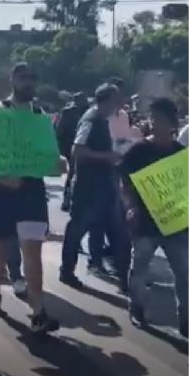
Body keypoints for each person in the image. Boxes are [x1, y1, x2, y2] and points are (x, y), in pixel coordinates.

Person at [0, 63, 64, 333]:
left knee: (32, 251)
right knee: (1, 249)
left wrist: (59, 163)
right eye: (22, 77)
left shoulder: (41, 116)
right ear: (12, 80)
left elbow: (50, 156)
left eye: (32, 78)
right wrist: (2, 179)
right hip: (2, 192)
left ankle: (38, 310)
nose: (28, 82)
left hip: (31, 191)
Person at [121, 98, 188, 337]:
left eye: (158, 119)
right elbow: (125, 182)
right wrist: (130, 206)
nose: (154, 123)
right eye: (152, 118)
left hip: (176, 224)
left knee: (183, 273)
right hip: (145, 222)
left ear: (171, 123)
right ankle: (136, 308)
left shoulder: (180, 154)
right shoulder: (138, 152)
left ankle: (186, 320)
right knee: (139, 268)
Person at [61, 83, 128, 288]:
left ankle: (124, 276)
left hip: (104, 186)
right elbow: (78, 150)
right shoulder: (90, 120)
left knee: (117, 231)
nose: (119, 104)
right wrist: (106, 156)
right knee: (77, 230)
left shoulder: (101, 119)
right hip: (88, 188)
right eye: (116, 100)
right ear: (107, 100)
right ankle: (67, 271)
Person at [56, 92, 88, 212]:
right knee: (72, 174)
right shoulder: (68, 112)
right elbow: (59, 130)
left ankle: (72, 199)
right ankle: (67, 198)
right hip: (71, 146)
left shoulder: (86, 112)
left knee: (76, 174)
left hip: (81, 146)